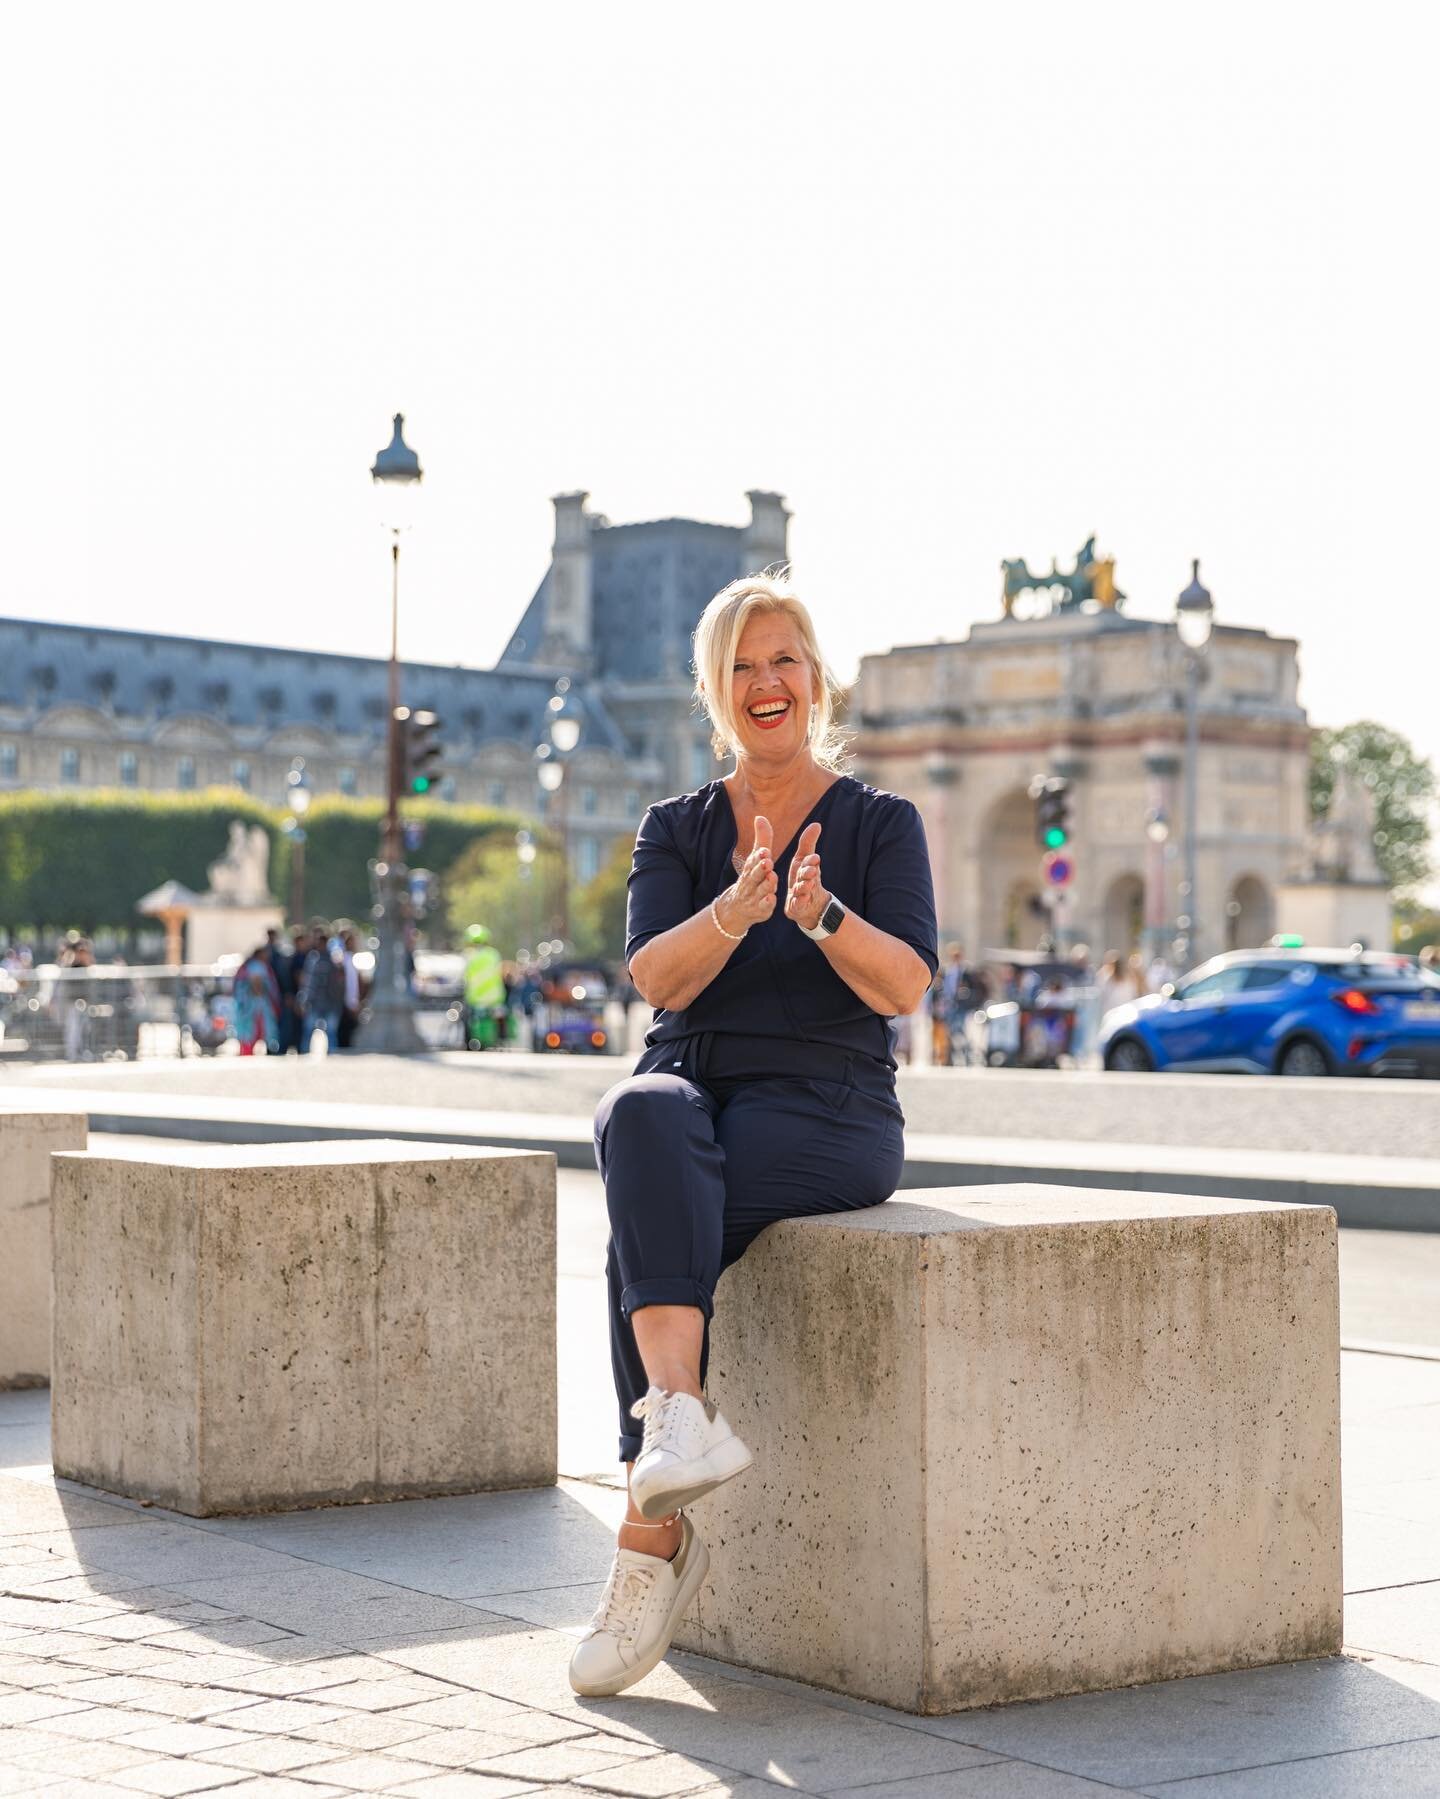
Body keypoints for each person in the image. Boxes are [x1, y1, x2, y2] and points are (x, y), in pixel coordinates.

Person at [570, 573, 937, 1698]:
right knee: (636, 1111)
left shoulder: (880, 823)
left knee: (639, 1242)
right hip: (689, 1084)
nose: (765, 682)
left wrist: (820, 914)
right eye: (741, 665)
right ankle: (679, 1424)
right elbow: (653, 976)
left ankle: (652, 1526)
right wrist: (734, 907)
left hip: (829, 1105)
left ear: (816, 678)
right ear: (714, 694)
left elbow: (907, 984)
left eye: (783, 659)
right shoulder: (673, 828)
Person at [297, 925, 344, 1052]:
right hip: (314, 1002)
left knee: (331, 1032)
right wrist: (303, 999)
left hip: (331, 1002)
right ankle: (305, 1054)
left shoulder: (334, 959)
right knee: (308, 1031)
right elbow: (307, 982)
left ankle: (332, 1055)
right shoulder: (313, 959)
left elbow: (339, 982)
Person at [463, 924, 507, 1050]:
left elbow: (465, 976)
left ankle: (469, 1041)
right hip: (495, 998)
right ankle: (501, 1038)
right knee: (500, 1016)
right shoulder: (493, 954)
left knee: (468, 1019)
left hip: (475, 998)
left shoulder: (468, 955)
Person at [232, 945, 280, 1055]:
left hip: (251, 1004)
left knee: (251, 1032)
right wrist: (260, 995)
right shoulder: (257, 966)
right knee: (255, 1030)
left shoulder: (250, 965)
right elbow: (256, 982)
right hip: (255, 1005)